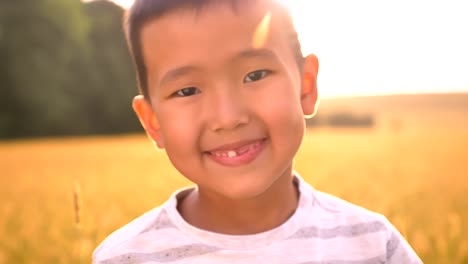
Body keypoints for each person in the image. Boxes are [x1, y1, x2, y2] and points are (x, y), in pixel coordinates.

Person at [93, 0, 422, 263]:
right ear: (153, 122)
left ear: (306, 86)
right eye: (187, 91)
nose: (228, 117)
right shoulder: (125, 257)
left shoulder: (374, 246)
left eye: (255, 75)